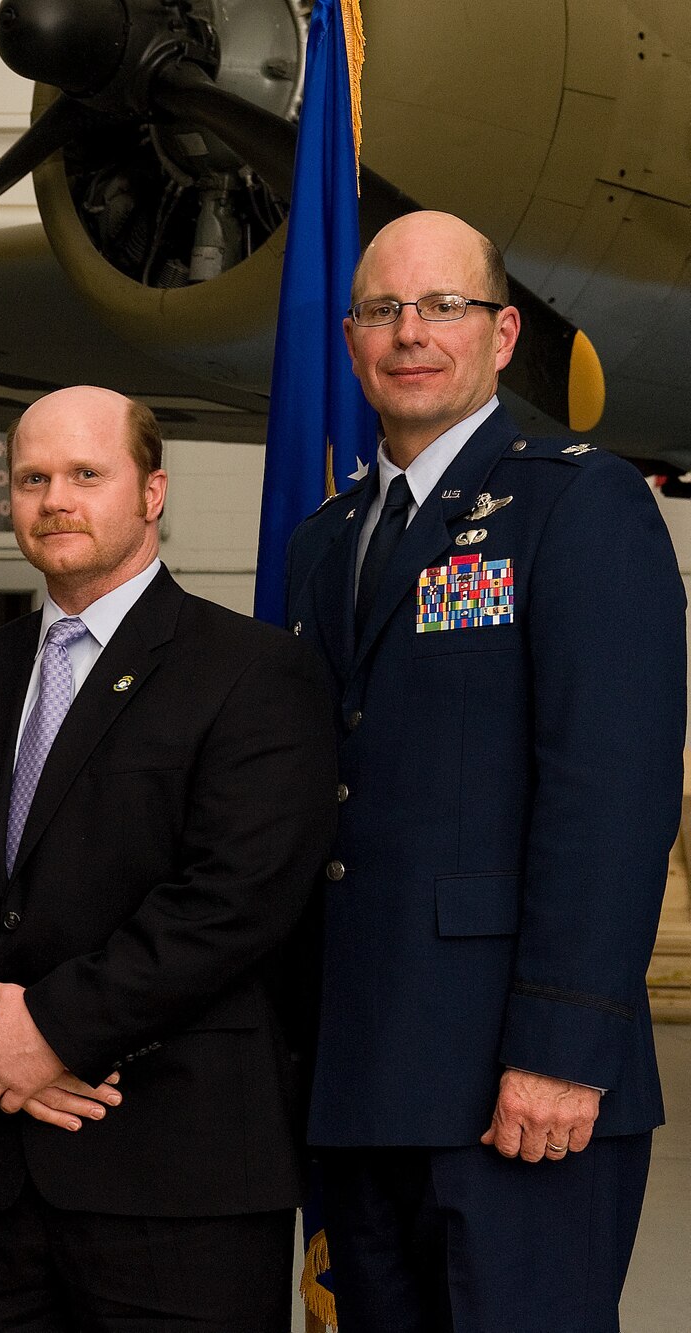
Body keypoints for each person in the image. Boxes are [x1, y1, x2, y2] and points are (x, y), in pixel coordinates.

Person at [0, 385, 339, 1332]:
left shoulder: (252, 671)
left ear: (152, 492)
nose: (55, 499)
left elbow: (233, 900)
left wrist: (50, 1029)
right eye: (33, 477)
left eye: (86, 473)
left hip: (181, 1173)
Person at [284, 210, 685, 1332]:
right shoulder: (325, 538)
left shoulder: (578, 502)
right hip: (362, 1076)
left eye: (441, 307)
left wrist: (560, 1047)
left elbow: (609, 794)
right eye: (380, 310)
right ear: (352, 337)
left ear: (502, 334)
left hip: (519, 1082)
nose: (409, 333)